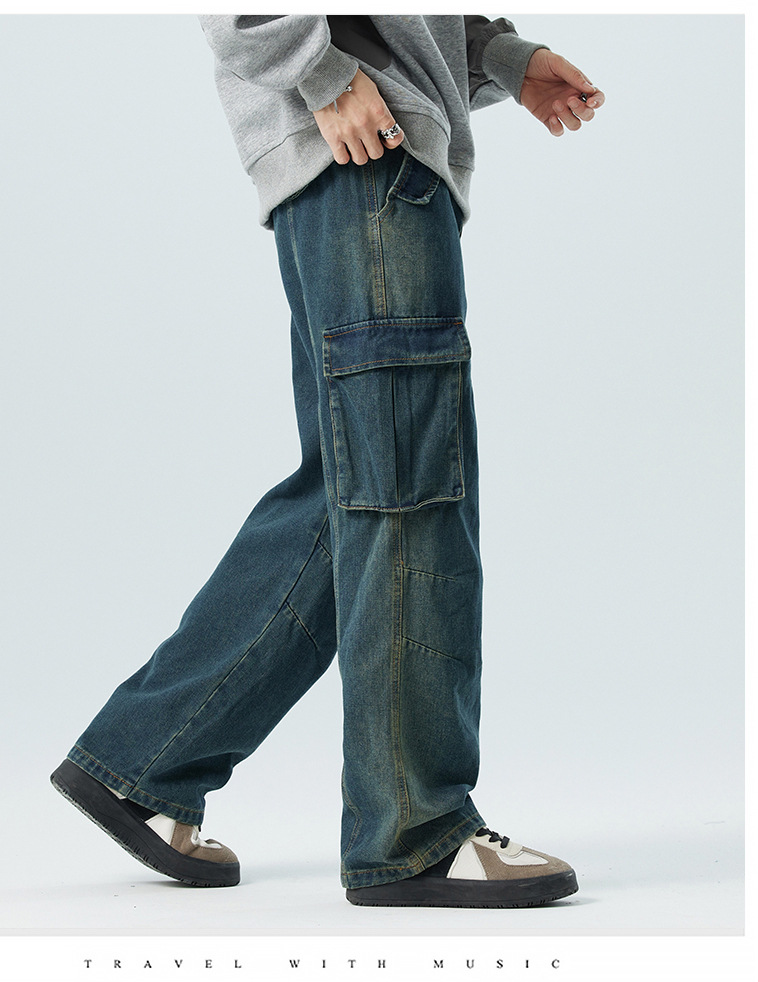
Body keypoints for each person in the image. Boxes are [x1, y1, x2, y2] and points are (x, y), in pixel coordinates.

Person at [51, 14, 605, 909]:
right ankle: (413, 831)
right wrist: (325, 75)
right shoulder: (341, 104)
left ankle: (142, 762)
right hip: (366, 149)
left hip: (360, 159)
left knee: (355, 493)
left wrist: (503, 57)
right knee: (406, 499)